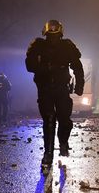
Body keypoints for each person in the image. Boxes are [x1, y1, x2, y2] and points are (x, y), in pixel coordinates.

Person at [25, 19, 84, 167]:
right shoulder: (38, 45)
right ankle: (48, 153)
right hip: (44, 88)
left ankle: (63, 142)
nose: (53, 38)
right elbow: (29, 65)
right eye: (51, 34)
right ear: (46, 32)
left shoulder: (67, 46)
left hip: (62, 88)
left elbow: (77, 65)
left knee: (64, 119)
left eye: (56, 34)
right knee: (49, 119)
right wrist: (44, 67)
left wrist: (79, 84)